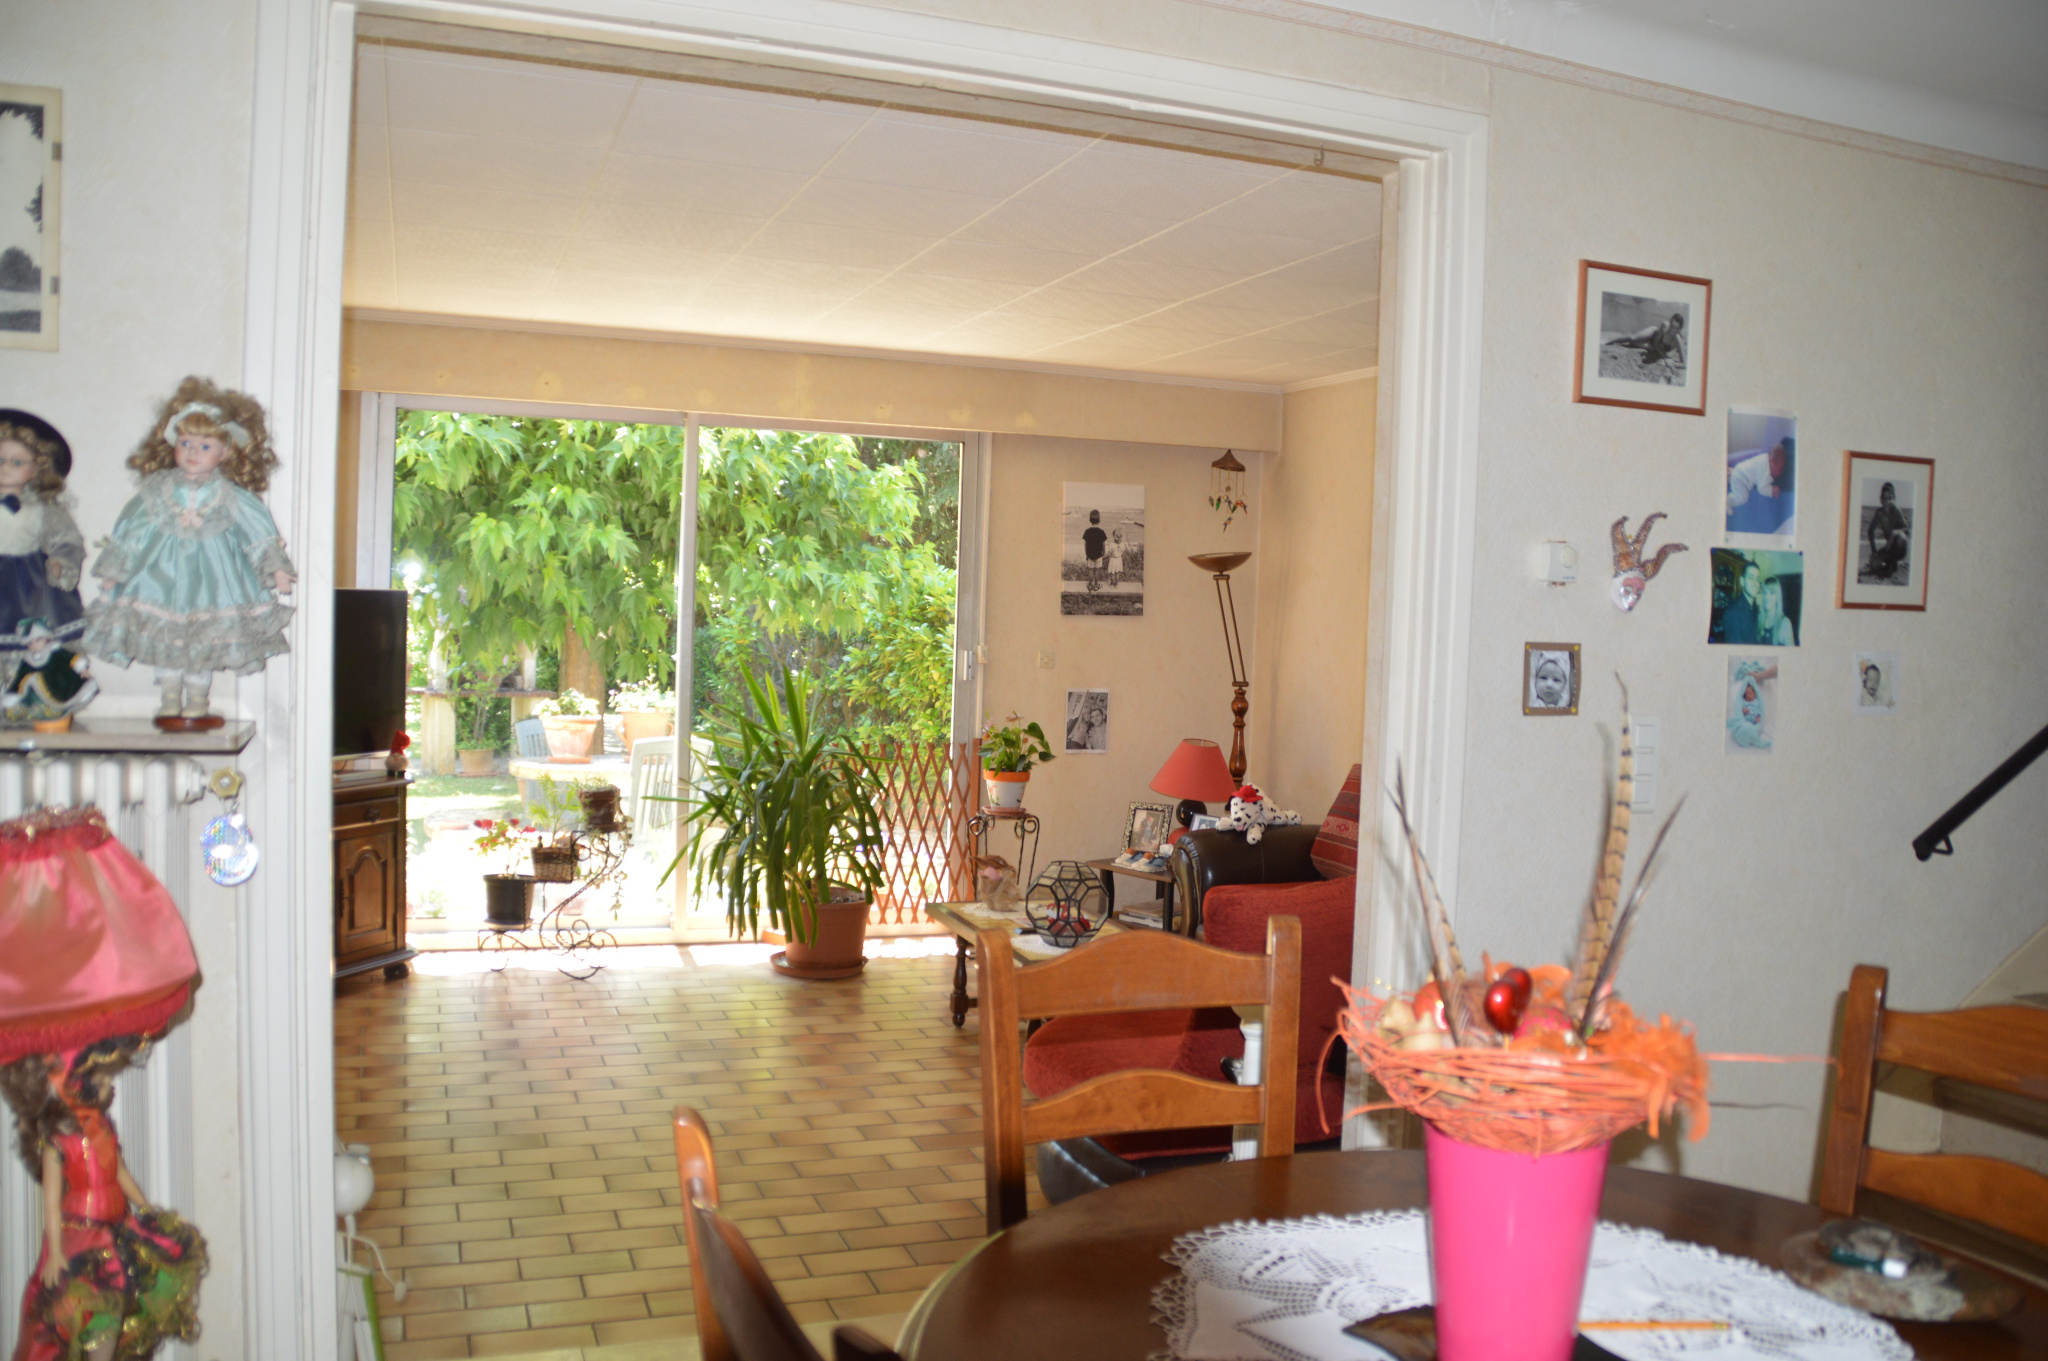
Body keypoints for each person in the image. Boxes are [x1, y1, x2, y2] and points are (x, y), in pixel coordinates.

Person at [81, 377, 297, 726]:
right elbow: (134, 528)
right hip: (160, 578)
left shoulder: (230, 495)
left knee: (202, 641)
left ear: (225, 452)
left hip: (213, 581)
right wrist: (115, 570)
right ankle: (169, 695)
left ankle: (197, 697)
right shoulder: (158, 490)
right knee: (165, 636)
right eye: (185, 443)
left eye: (205, 445)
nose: (193, 452)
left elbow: (257, 531)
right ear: (173, 445)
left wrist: (275, 568)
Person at [2, 1041, 208, 1361]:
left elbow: (119, 1172)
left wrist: (145, 1206)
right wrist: (55, 1251)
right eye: (100, 1081)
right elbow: (51, 1204)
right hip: (84, 1238)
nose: (109, 1086)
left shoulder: (103, 1128)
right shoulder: (58, 1143)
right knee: (100, 1308)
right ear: (76, 1088)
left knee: (117, 1308)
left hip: (118, 1230)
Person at [0, 410, 86, 665]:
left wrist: (60, 561)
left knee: (29, 642)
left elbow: (66, 540)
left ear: (36, 469)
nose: (5, 467)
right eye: (0, 459)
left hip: (27, 589)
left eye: (17, 462)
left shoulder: (42, 510)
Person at [1727, 437, 1794, 530]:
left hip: (1739, 470)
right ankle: (1728, 501)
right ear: (1771, 461)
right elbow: (1762, 489)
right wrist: (1772, 491)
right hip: (1742, 480)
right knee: (1742, 498)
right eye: (1778, 469)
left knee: (1742, 478)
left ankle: (1730, 476)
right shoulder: (1766, 474)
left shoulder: (1763, 457)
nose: (1779, 473)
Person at [1607, 312, 1685, 369]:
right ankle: (1608, 341)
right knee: (1632, 338)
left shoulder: (1678, 340)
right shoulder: (1665, 326)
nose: (1672, 330)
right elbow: (1656, 342)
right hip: (1653, 334)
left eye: (1675, 328)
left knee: (1633, 344)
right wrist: (1666, 357)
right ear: (1670, 322)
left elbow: (1684, 364)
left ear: (1679, 329)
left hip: (1652, 347)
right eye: (1671, 326)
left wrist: (1671, 363)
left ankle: (1623, 340)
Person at [1865, 482, 1909, 582]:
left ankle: (1894, 561)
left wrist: (1894, 533)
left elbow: (1906, 528)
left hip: (1899, 549)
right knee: (1873, 563)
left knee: (1901, 536)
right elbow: (1870, 531)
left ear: (1894, 498)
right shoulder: (1879, 513)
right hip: (1889, 549)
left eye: (1890, 498)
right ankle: (1890, 562)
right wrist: (1874, 551)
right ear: (1880, 499)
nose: (1887, 501)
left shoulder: (1896, 510)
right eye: (1884, 498)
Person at [1719, 560, 1762, 643]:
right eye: (1751, 578)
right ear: (1742, 581)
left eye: (1757, 579)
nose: (1755, 583)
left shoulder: (1755, 608)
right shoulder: (1732, 613)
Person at [1757, 575, 1796, 647]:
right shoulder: (1759, 618)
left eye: (1772, 593)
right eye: (1765, 593)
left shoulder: (1785, 623)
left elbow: (1791, 653)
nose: (1767, 597)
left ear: (1777, 597)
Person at [1080, 509, 1107, 592]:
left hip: (1090, 555)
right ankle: (1096, 585)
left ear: (1090, 520)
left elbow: (1086, 544)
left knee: (1091, 571)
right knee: (1097, 571)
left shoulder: (1087, 531)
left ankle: (1090, 585)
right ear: (1099, 520)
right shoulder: (1101, 532)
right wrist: (1104, 553)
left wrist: (1086, 554)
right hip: (1098, 555)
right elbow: (1103, 544)